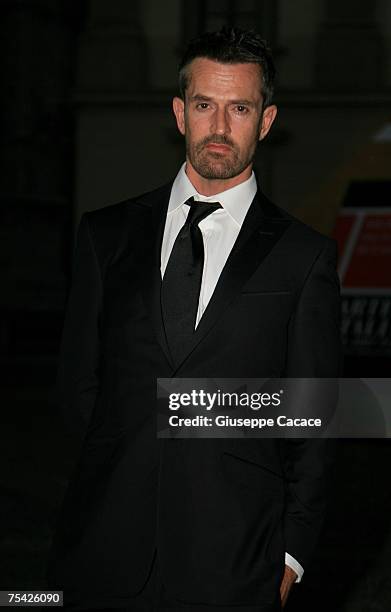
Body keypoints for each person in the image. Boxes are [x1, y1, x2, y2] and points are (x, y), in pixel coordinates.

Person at [47, 26, 342, 612]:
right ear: (181, 113)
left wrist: (291, 558)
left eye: (240, 108)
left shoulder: (303, 257)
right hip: (105, 556)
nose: (220, 126)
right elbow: (80, 391)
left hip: (235, 564)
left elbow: (314, 417)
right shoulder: (105, 236)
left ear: (266, 120)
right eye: (206, 105)